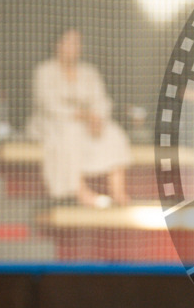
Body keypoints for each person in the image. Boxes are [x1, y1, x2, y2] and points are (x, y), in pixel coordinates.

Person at [30, 28, 132, 207]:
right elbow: (48, 104)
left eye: (77, 43)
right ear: (57, 45)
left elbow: (101, 100)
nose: (74, 47)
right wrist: (80, 115)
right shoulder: (45, 71)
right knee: (69, 133)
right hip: (54, 123)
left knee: (113, 132)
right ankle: (80, 191)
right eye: (69, 42)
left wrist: (96, 118)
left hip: (88, 123)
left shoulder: (89, 72)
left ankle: (118, 191)